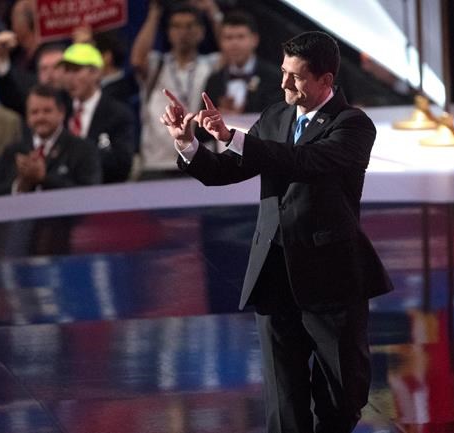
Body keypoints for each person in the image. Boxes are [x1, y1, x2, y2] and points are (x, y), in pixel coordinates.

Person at [160, 31, 394, 433]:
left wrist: (233, 137)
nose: (284, 82)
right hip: (273, 276)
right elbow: (226, 171)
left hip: (332, 279)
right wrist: (189, 146)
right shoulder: (275, 116)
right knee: (284, 401)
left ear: (326, 79)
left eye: (296, 76)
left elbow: (306, 160)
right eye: (284, 72)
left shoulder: (353, 125)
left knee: (342, 396)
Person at [131, 2, 220, 179]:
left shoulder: (210, 65)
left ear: (201, 31)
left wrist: (213, 12)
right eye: (176, 26)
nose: (183, 32)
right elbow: (137, 60)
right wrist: (154, 14)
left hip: (199, 159)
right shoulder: (157, 64)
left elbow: (230, 50)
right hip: (157, 161)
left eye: (189, 26)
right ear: (168, 32)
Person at [0, 84, 101, 193]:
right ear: (27, 117)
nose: (40, 117)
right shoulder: (13, 152)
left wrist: (44, 179)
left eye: (47, 111)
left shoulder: (83, 149)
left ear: (61, 113)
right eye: (34, 112)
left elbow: (89, 193)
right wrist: (21, 185)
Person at [60, 43, 136, 183]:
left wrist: (82, 157)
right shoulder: (59, 110)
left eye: (76, 70)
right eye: (67, 70)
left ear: (95, 73)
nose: (70, 77)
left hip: (103, 189)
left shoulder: (117, 114)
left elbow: (122, 164)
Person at [204, 10, 283, 114]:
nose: (234, 43)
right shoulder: (214, 81)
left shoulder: (274, 78)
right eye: (228, 38)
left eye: (240, 37)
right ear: (221, 42)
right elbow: (202, 121)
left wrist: (239, 119)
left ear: (255, 40)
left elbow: (277, 119)